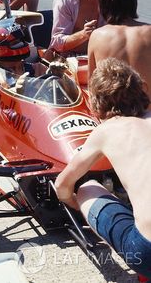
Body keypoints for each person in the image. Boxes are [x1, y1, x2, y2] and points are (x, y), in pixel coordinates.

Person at [55, 58, 151, 279]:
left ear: (96, 101)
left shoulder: (107, 130)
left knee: (87, 187)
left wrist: (76, 203)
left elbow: (62, 185)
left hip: (146, 253)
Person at [88, 0, 151, 101]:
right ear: (133, 4)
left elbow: (92, 85)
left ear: (102, 7)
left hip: (113, 114)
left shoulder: (97, 35)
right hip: (148, 113)